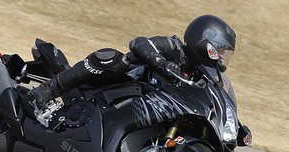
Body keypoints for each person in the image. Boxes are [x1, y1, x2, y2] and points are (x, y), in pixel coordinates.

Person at [27, 14, 236, 109]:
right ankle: (47, 90)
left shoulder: (199, 76)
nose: (221, 56)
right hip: (115, 83)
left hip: (137, 106)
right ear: (203, 39)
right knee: (112, 58)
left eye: (224, 52)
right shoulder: (175, 48)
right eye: (219, 49)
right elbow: (138, 43)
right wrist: (161, 63)